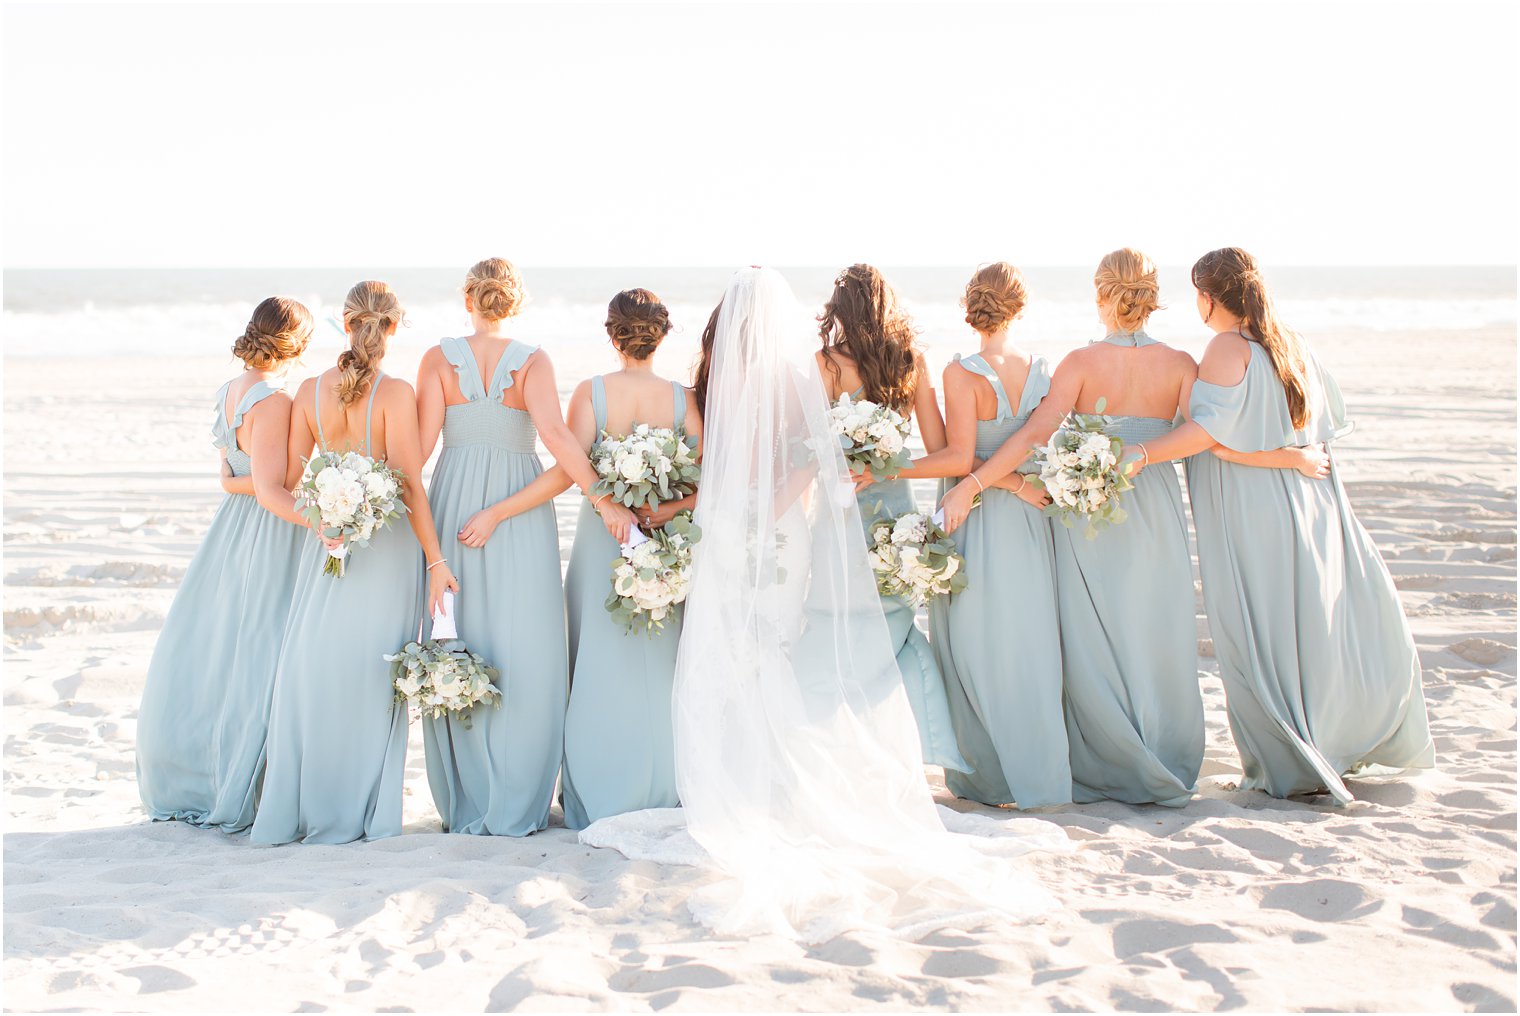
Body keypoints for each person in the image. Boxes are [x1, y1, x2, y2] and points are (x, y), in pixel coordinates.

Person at [578, 267, 1067, 944]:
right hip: (786, 527)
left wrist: (734, 513)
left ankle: (748, 783)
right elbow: (814, 456)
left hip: (749, 525)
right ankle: (783, 780)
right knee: (778, 644)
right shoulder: (809, 373)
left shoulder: (744, 376)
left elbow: (778, 457)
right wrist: (778, 509)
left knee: (747, 647)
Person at [1124, 247, 1433, 802]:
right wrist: (1289, 459)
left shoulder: (1227, 345)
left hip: (1249, 506)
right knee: (1298, 627)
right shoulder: (1291, 342)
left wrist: (1141, 454)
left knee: (1252, 627)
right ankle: (1311, 748)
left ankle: (1282, 766)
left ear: (1207, 296)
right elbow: (1311, 434)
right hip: (1301, 503)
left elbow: (1211, 435)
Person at [137, 297, 315, 832]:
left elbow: (230, 478)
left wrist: (250, 487)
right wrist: (327, 523)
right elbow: (271, 491)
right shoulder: (274, 401)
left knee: (223, 646)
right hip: (267, 532)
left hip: (231, 527)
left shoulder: (230, 390)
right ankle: (246, 779)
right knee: (261, 649)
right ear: (298, 345)